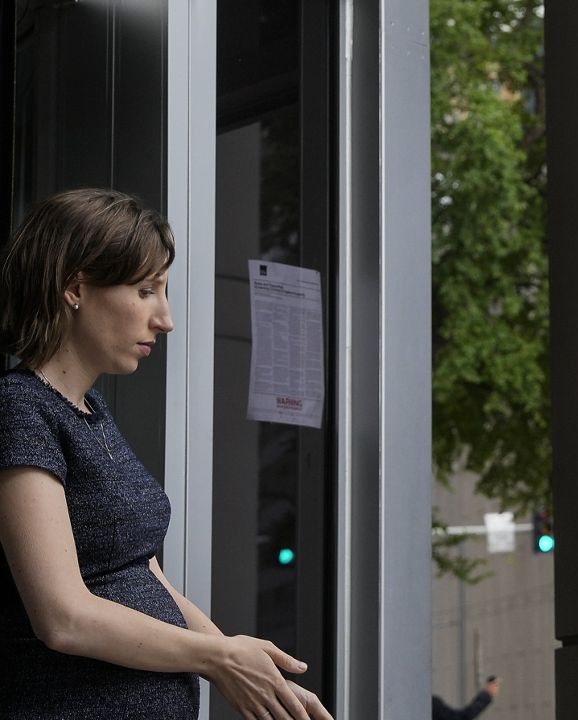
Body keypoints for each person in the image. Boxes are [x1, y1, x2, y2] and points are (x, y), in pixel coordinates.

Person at [0, 188, 332, 719]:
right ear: (75, 287)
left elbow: (140, 569)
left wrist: (245, 665)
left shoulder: (90, 411)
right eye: (146, 290)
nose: (165, 319)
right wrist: (219, 657)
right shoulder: (20, 410)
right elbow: (62, 617)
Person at [432, 676, 501, 720]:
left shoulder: (432, 704)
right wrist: (487, 694)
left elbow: (463, 716)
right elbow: (463, 717)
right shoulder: (432, 703)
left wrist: (486, 695)